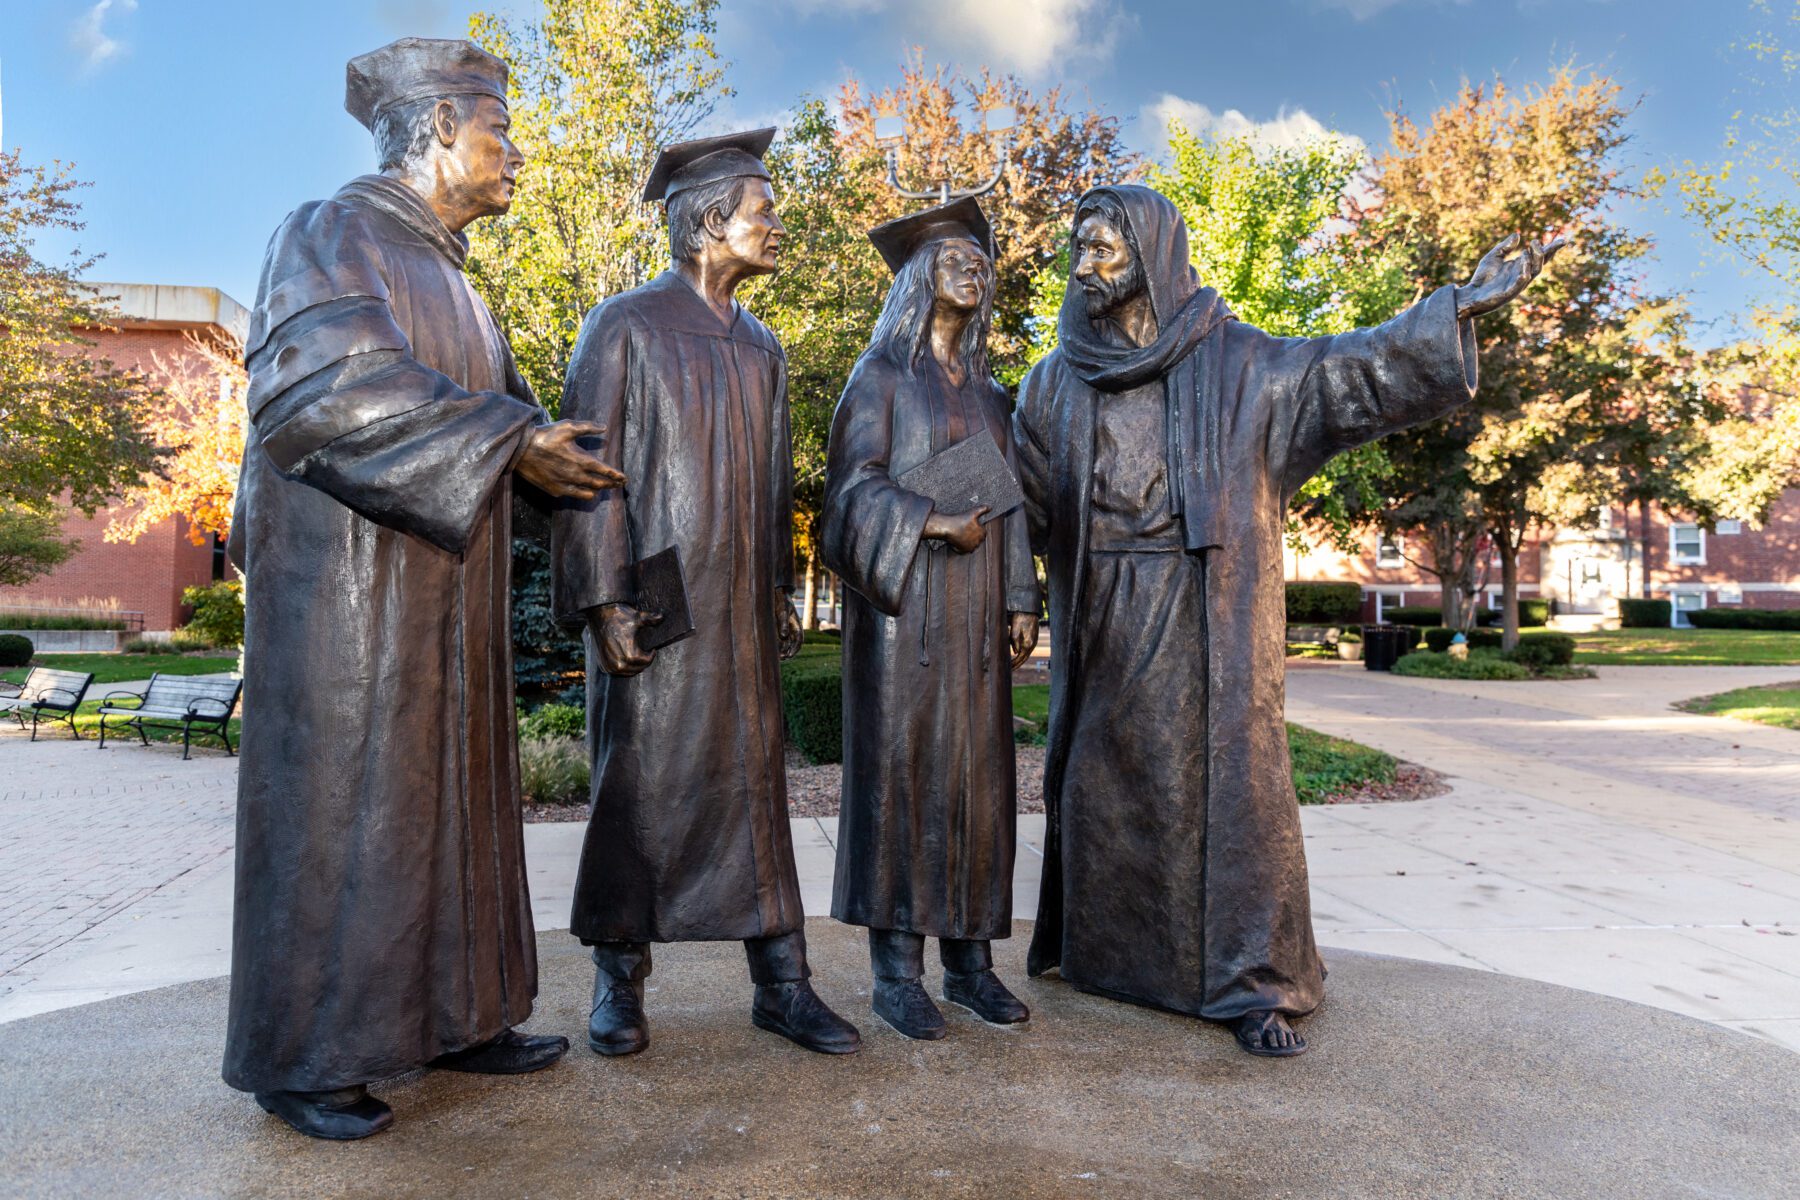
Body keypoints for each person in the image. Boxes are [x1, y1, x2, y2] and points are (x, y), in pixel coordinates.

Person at [1012, 184, 1560, 1056]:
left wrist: (1456, 308)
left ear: (1150, 254)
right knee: (1107, 786)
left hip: (1208, 613)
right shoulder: (1053, 383)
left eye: (1101, 249)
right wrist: (1008, 586)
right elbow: (1020, 505)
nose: (1082, 267)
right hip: (1101, 614)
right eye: (1077, 249)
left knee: (1232, 792)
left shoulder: (1240, 365)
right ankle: (1117, 960)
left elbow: (1350, 369)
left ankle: (1251, 981)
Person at [223, 38, 623, 1140]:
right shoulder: (331, 231)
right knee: (348, 819)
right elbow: (321, 391)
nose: (518, 154)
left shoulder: (462, 287)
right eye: (501, 130)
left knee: (454, 812)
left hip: (447, 602)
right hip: (351, 607)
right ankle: (307, 1057)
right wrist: (512, 441)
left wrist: (555, 463)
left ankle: (459, 1015)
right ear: (441, 126)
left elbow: (518, 435)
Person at [552, 128, 862, 1058]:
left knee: (757, 794)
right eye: (764, 212)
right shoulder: (623, 325)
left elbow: (774, 485)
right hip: (658, 602)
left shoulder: (762, 346)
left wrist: (779, 588)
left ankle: (783, 983)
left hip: (740, 613)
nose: (777, 227)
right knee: (638, 786)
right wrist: (604, 599)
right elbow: (586, 471)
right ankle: (618, 980)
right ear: (708, 223)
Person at [821, 199, 1041, 1040]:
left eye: (981, 262)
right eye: (955, 258)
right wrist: (930, 522)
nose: (973, 270)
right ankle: (897, 975)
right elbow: (849, 495)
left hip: (977, 618)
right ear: (919, 277)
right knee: (904, 785)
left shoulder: (989, 394)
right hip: (903, 619)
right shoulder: (879, 378)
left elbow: (1009, 505)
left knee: (978, 789)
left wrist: (1020, 595)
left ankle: (972, 966)